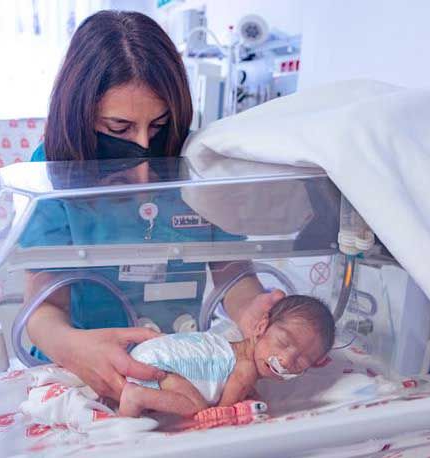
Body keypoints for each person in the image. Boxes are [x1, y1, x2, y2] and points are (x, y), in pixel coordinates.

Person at [23, 10, 285, 403]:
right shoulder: (54, 173)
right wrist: (73, 346)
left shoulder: (198, 161)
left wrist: (252, 312)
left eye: (159, 127)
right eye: (119, 130)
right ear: (80, 117)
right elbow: (44, 311)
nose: (144, 158)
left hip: (176, 367)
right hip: (80, 370)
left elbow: (234, 273)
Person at [119, 295, 335, 417]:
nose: (286, 360)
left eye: (301, 361)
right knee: (199, 410)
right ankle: (137, 396)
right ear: (261, 326)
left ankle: (135, 400)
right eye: (283, 342)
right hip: (157, 367)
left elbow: (240, 387)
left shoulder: (230, 348)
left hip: (144, 355)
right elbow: (223, 412)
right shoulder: (246, 368)